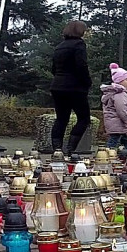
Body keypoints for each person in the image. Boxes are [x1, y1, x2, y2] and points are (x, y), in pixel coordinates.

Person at [50, 21, 92, 156]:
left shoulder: (59, 47)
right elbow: (81, 65)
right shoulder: (79, 44)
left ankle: (57, 150)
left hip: (57, 86)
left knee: (61, 118)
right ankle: (70, 148)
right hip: (75, 87)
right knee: (84, 118)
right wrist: (87, 82)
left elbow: (53, 69)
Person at [101, 63, 127, 150]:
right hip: (118, 122)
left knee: (123, 138)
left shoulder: (113, 93)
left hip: (115, 123)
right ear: (119, 81)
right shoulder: (120, 94)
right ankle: (109, 154)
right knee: (114, 141)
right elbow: (122, 109)